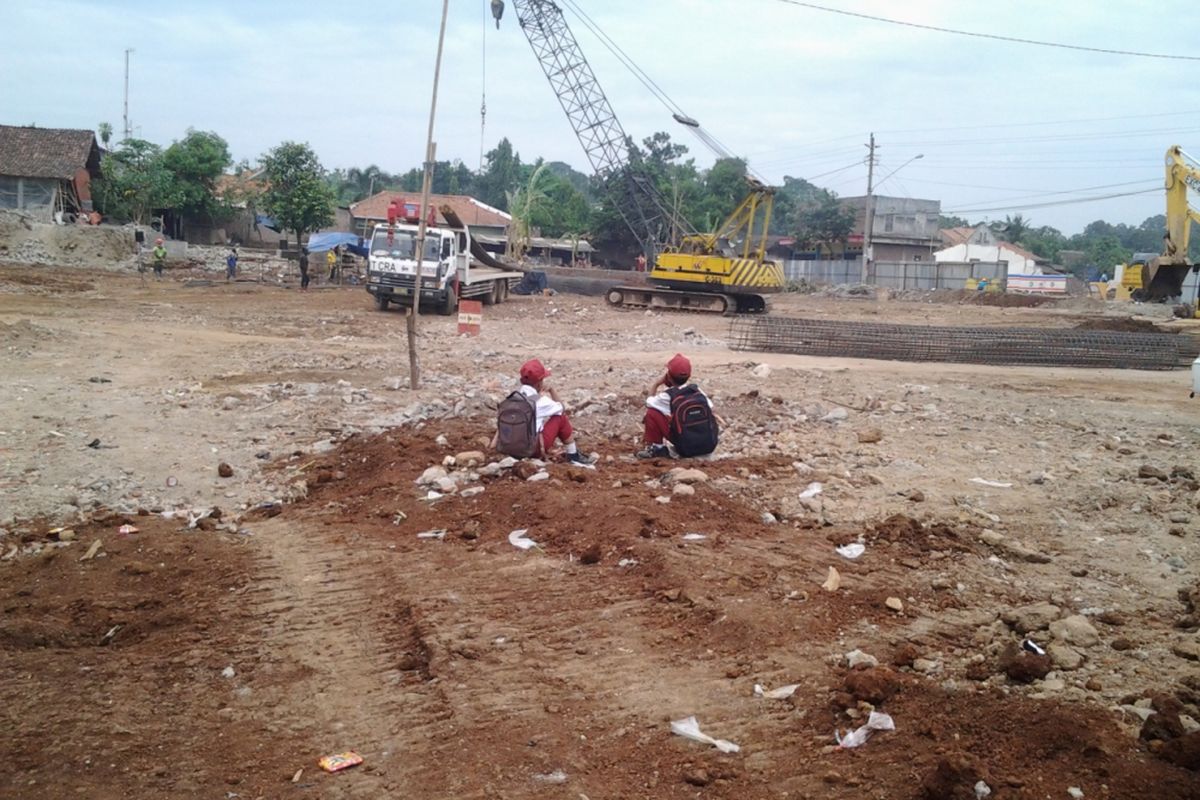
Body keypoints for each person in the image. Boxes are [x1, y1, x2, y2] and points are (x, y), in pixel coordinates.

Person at [493, 359, 591, 466]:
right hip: (531, 450)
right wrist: (552, 390)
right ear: (539, 383)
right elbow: (561, 409)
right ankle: (573, 454)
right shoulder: (540, 401)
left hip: (508, 448)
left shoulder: (511, 399)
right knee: (560, 418)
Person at [637, 353, 723, 459]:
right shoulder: (696, 390)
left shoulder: (668, 396)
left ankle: (657, 448)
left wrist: (656, 384)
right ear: (689, 376)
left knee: (652, 413)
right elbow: (712, 409)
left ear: (668, 375)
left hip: (685, 446)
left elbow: (648, 403)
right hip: (708, 445)